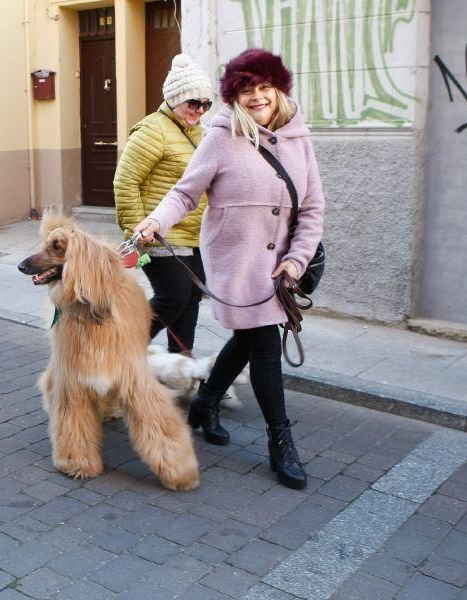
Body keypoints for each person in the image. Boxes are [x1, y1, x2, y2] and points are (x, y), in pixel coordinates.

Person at [134, 48, 324, 490]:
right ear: (234, 97)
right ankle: (281, 441)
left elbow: (312, 208)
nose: (257, 97)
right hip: (236, 263)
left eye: (264, 88)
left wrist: (296, 259)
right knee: (263, 346)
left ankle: (204, 403)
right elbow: (185, 193)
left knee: (248, 337)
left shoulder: (299, 138)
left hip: (281, 267)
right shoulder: (220, 136)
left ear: (278, 90)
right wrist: (153, 221)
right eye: (246, 90)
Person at [114, 54, 211, 356]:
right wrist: (137, 228)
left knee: (190, 296)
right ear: (175, 98)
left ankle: (181, 365)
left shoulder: (201, 133)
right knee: (173, 295)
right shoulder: (152, 130)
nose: (200, 110)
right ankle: (119, 352)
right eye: (193, 103)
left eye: (206, 104)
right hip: (158, 233)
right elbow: (125, 182)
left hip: (195, 235)